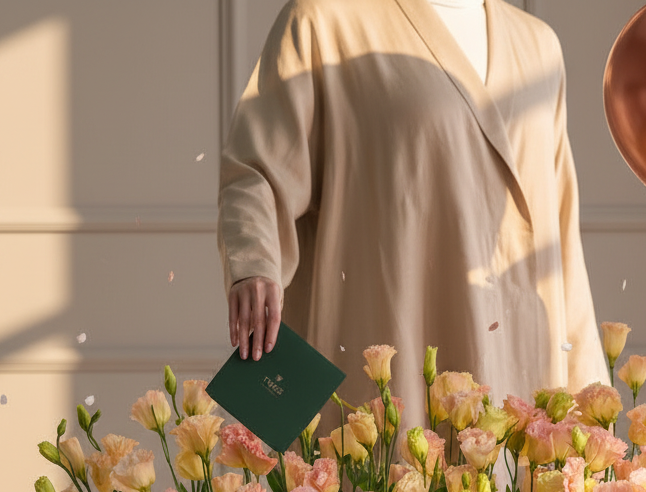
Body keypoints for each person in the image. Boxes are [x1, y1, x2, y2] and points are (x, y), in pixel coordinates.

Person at [218, 0, 607, 425]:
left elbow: (561, 230)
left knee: (509, 481)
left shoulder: (538, 45)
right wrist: (253, 263)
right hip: (392, 354)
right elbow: (255, 171)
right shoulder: (325, 20)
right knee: (393, 478)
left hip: (525, 365)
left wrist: (589, 394)